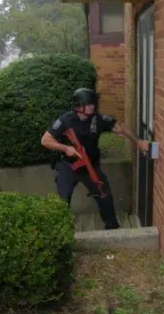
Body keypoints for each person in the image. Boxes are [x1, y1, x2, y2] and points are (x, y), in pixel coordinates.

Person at [41, 88, 150, 230]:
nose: (93, 106)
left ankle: (112, 229)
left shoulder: (98, 119)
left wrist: (138, 142)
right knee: (62, 199)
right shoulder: (65, 121)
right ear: (79, 106)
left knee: (104, 195)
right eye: (89, 103)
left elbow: (121, 128)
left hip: (90, 167)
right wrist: (66, 148)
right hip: (68, 166)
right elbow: (45, 140)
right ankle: (61, 231)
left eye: (93, 103)